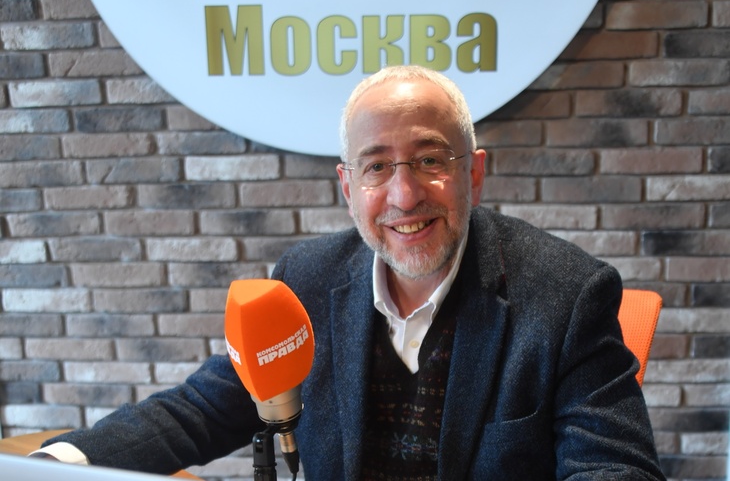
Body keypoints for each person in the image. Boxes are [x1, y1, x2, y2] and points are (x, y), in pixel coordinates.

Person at [34, 65, 665, 480]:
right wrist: (60, 462)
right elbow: (200, 410)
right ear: (347, 186)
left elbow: (615, 469)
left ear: (473, 173)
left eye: (430, 160)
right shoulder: (305, 281)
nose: (404, 196)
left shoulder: (567, 296)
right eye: (376, 167)